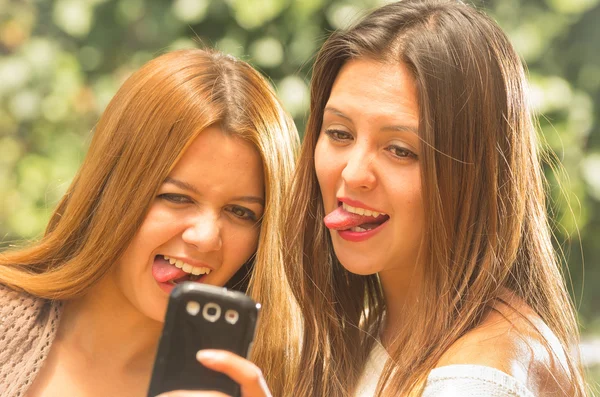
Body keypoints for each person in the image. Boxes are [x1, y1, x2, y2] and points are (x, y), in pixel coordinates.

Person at [282, 0, 587, 395]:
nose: (353, 173)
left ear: (473, 176)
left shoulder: (474, 379)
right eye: (340, 133)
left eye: (400, 150)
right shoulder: (377, 326)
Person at [0, 48, 299, 397]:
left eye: (240, 212)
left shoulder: (272, 384)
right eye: (176, 197)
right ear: (112, 189)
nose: (205, 237)